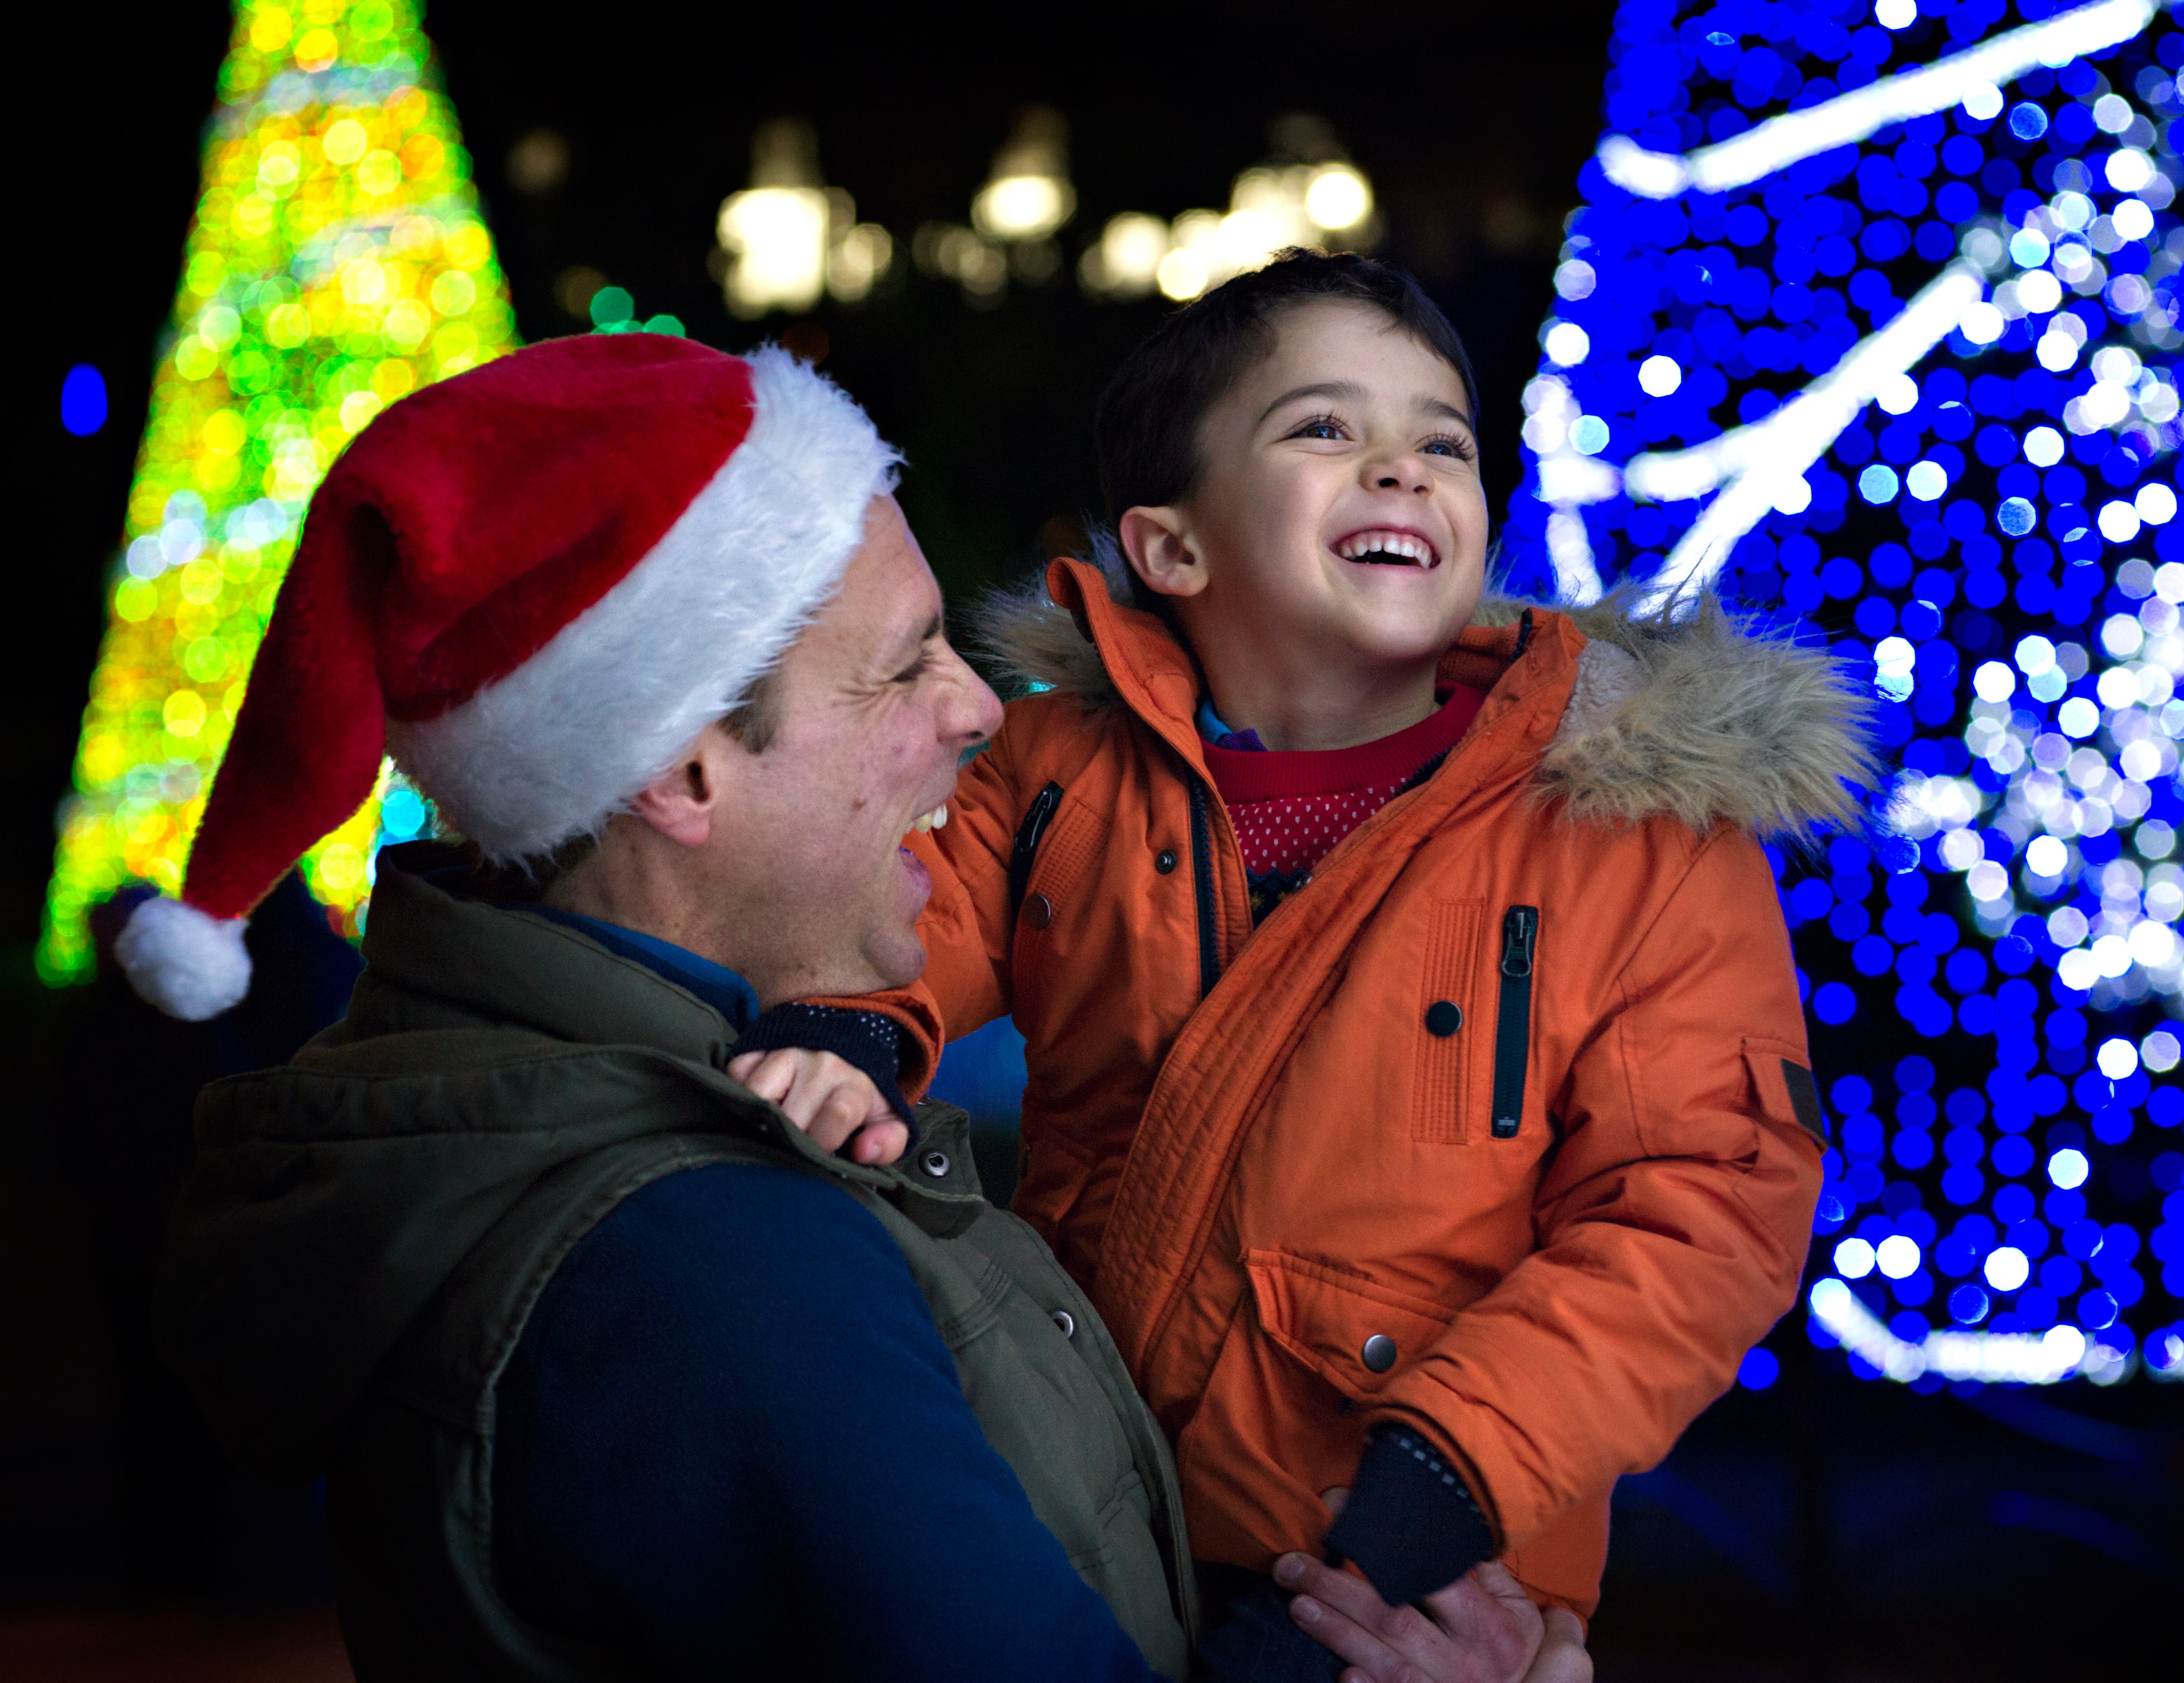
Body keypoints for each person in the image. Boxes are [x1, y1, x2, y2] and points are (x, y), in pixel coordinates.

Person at [128, 334, 1584, 1681]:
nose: (981, 711)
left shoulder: (510, 1088)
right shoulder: (714, 1263)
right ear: (683, 772)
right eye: (903, 668)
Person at [793, 251, 1874, 1618]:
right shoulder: (1064, 768)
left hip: (1406, 1552)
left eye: (1443, 441)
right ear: (1170, 547)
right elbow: (911, 902)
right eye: (1324, 428)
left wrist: (1462, 1462)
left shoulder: (1629, 836)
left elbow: (1703, 1201)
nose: (1403, 468)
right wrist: (847, 1028)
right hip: (1072, 1493)